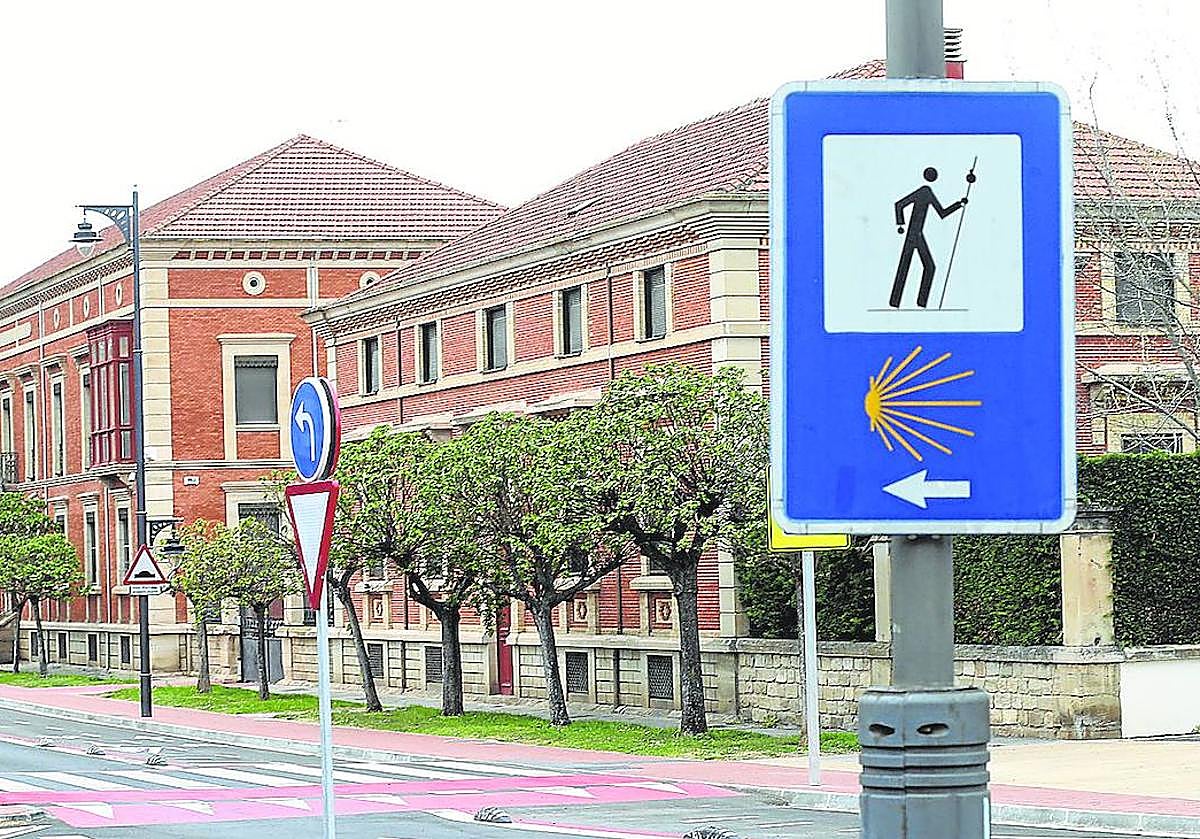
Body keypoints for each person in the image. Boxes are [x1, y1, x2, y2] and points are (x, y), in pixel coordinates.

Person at [890, 167, 968, 308]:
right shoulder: (924, 191)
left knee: (916, 266)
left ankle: (910, 302)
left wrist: (959, 204)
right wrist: (900, 224)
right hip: (913, 234)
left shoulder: (927, 192)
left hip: (917, 234)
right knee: (924, 266)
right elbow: (899, 205)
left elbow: (942, 213)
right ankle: (909, 302)